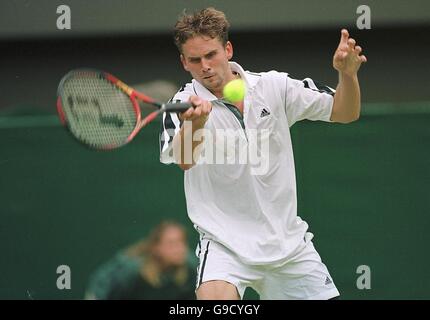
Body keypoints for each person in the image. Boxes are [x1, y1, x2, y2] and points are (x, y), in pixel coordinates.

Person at [159, 8, 366, 300]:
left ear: (228, 49)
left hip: (289, 246)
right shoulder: (180, 105)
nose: (205, 66)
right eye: (195, 60)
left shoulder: (274, 86)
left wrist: (347, 76)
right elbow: (184, 159)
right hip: (225, 247)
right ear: (184, 62)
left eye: (211, 55)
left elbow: (345, 112)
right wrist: (195, 124)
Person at [85, 221, 197, 300]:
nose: (180, 249)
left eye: (182, 242)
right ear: (156, 247)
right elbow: (99, 290)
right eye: (171, 243)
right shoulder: (130, 271)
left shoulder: (193, 268)